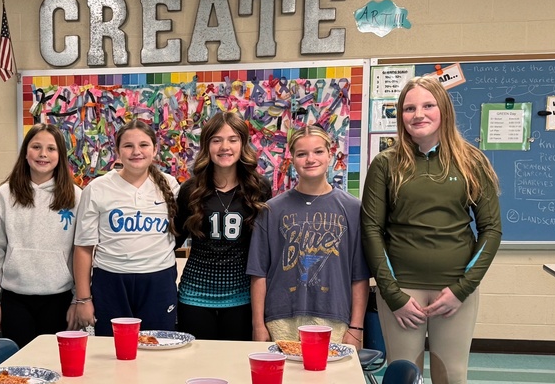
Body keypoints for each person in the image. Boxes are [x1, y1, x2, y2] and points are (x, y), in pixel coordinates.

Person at [361, 76, 501, 384]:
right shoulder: (386, 164)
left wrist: (462, 289)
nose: (418, 115)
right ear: (400, 116)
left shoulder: (471, 162)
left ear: (444, 110)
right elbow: (371, 230)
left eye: (427, 106)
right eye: (409, 108)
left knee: (451, 382)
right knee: (400, 382)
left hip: (453, 294)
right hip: (401, 293)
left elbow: (491, 230)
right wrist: (392, 293)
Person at [248, 125, 369, 347]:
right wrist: (258, 325)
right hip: (281, 317)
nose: (310, 159)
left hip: (334, 318)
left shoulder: (353, 209)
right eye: (302, 154)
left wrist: (357, 327)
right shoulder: (271, 210)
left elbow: (359, 275)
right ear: (292, 160)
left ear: (330, 154)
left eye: (318, 151)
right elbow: (258, 273)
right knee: (285, 370)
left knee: (330, 371)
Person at [0, 123, 82, 348]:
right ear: (25, 152)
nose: (43, 154)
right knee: (18, 364)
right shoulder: (3, 196)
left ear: (60, 155)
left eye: (51, 149)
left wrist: (78, 299)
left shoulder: (76, 197)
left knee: (56, 363)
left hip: (61, 299)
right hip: (14, 299)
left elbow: (82, 253)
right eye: (36, 147)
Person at [73, 119, 179, 335]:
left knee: (158, 345)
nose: (136, 151)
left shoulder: (171, 185)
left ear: (155, 149)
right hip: (111, 280)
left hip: (158, 280)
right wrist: (83, 299)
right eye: (128, 146)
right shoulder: (97, 188)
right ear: (118, 152)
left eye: (143, 145)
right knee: (113, 348)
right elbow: (83, 247)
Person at [174, 111, 271, 340]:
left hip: (242, 297)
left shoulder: (259, 188)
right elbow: (173, 240)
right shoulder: (191, 189)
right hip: (195, 295)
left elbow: (264, 248)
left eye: (232, 140)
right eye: (216, 140)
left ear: (242, 144)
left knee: (236, 361)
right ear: (206, 146)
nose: (224, 147)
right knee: (196, 359)